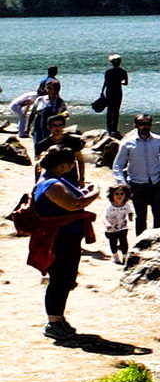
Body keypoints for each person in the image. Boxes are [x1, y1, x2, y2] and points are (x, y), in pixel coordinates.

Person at [21, 146, 97, 343]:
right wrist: (95, 192)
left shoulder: (54, 180)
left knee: (65, 278)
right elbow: (74, 204)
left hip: (66, 237)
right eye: (71, 162)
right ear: (62, 164)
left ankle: (58, 318)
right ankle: (53, 322)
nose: (73, 165)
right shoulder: (52, 184)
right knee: (60, 279)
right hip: (59, 238)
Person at [113, 114, 160, 235]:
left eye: (147, 124)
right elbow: (117, 166)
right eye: (141, 124)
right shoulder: (128, 143)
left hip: (156, 183)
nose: (144, 127)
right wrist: (123, 184)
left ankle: (159, 241)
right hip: (136, 185)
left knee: (159, 214)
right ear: (136, 125)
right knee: (141, 216)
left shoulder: (158, 140)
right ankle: (140, 243)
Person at [92, 54, 128, 138]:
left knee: (109, 110)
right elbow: (126, 83)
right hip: (118, 92)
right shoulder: (123, 71)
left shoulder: (108, 72)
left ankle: (109, 129)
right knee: (116, 111)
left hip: (109, 92)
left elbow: (105, 82)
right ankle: (114, 129)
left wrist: (102, 92)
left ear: (111, 63)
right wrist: (119, 82)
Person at [99, 184, 133, 265]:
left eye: (122, 194)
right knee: (113, 242)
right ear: (112, 195)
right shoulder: (109, 207)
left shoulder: (126, 205)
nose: (119, 196)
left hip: (122, 227)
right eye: (117, 194)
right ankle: (115, 256)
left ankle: (125, 256)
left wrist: (130, 216)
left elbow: (130, 212)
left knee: (124, 241)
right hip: (111, 229)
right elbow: (103, 217)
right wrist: (107, 224)